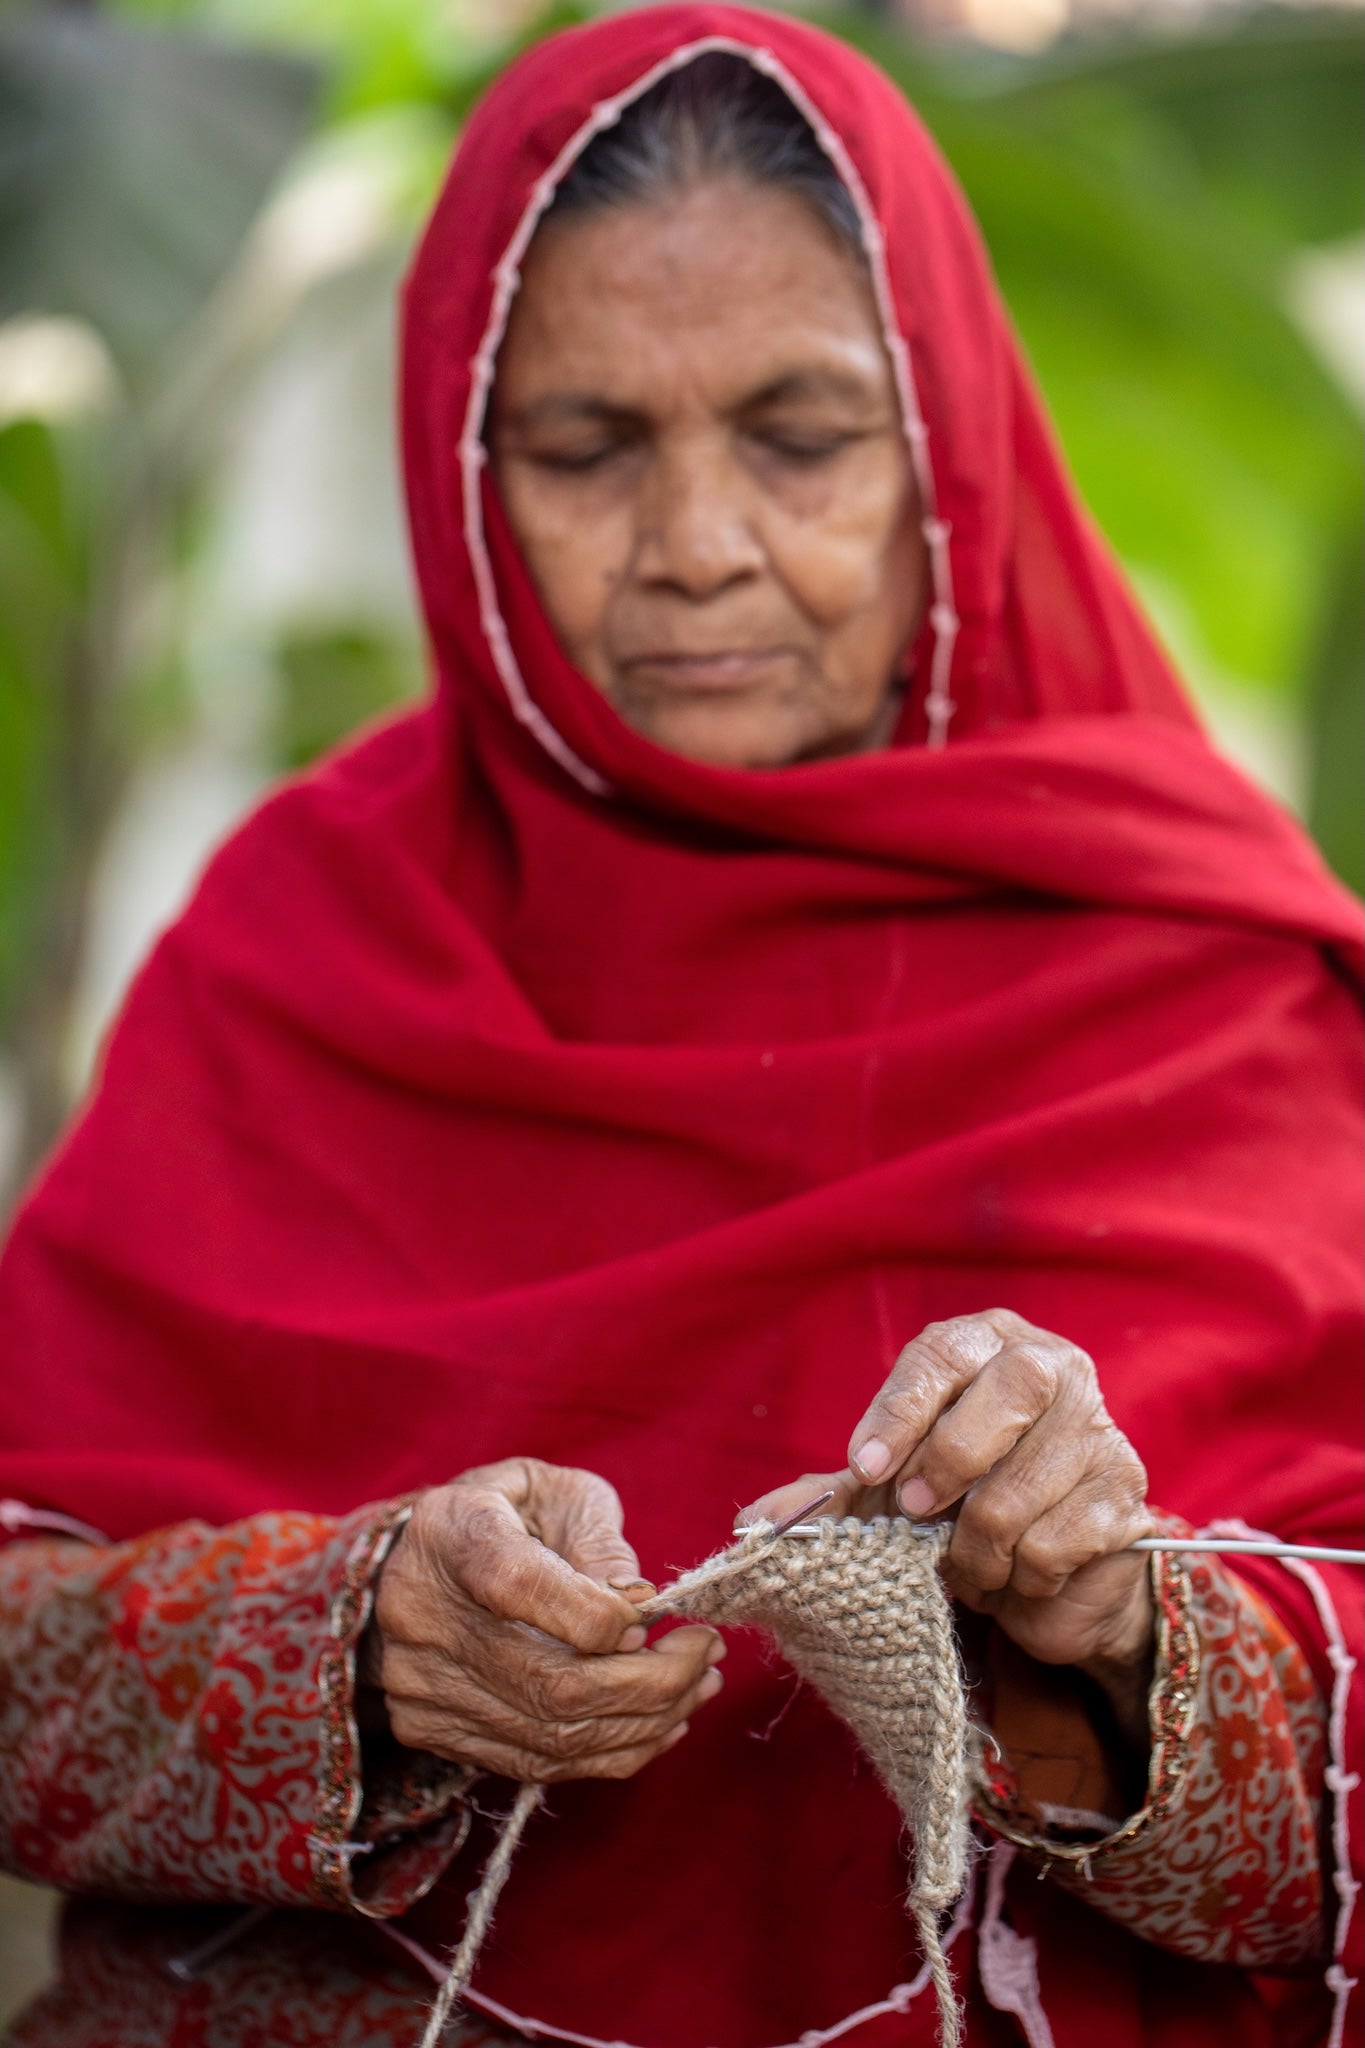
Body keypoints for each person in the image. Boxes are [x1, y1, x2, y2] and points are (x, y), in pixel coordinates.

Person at [0, 11, 1359, 2048]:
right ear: (464, 469)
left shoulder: (1217, 974)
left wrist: (1112, 1641)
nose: (699, 546)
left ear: (946, 442)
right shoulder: (305, 938)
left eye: (798, 438)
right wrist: (354, 1648)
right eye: (585, 450)